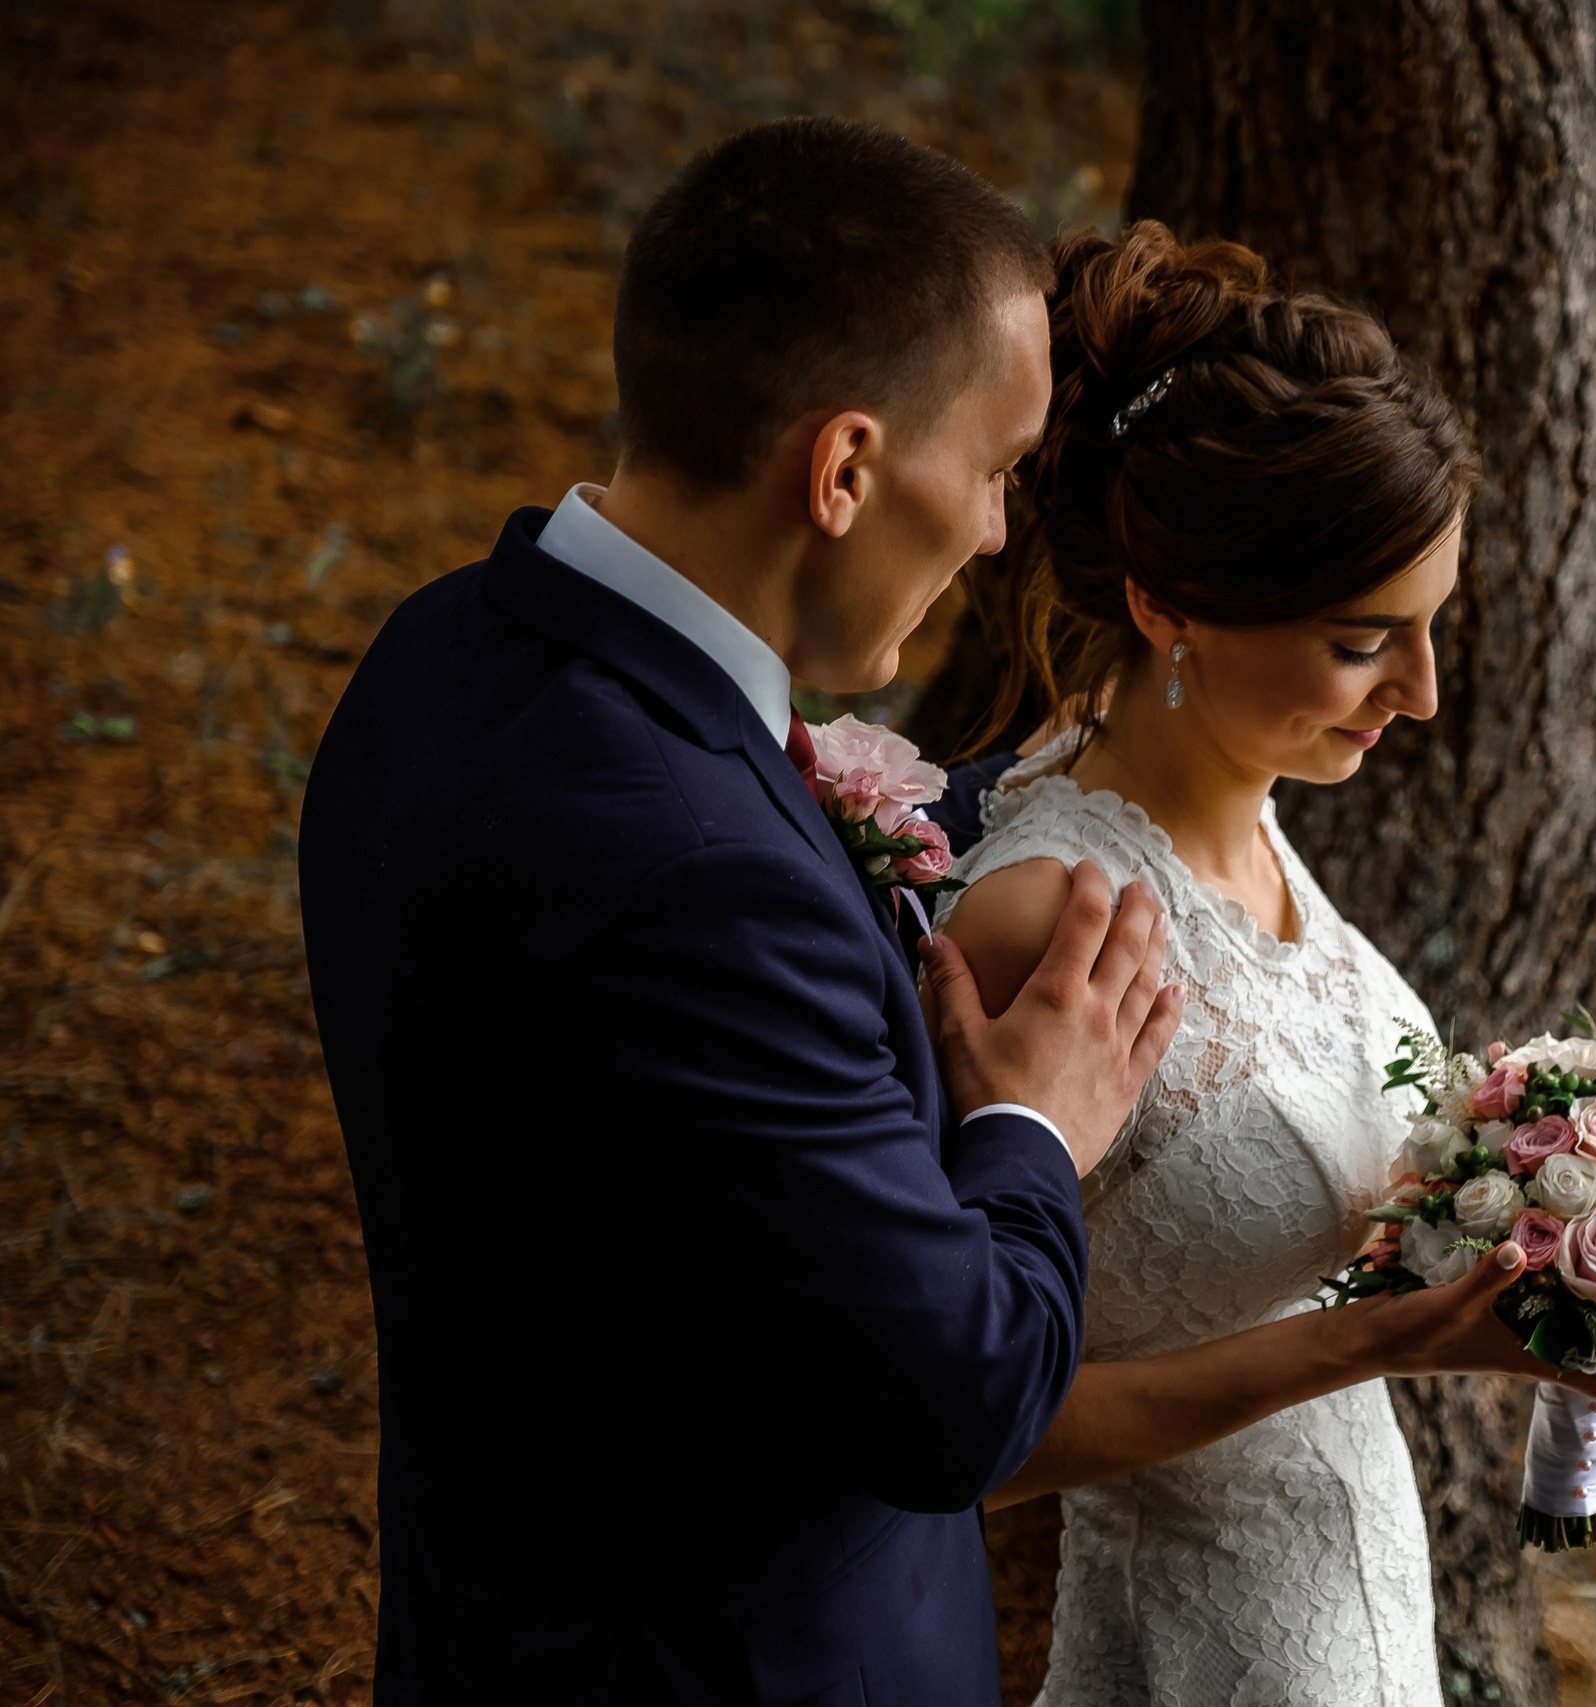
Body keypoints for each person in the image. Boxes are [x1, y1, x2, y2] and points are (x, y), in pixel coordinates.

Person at [298, 119, 1181, 1706]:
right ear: (844, 469)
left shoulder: (434, 654)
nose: (995, 530)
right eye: (991, 470)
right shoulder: (698, 870)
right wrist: (1034, 1125)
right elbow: (957, 1400)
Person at [935, 222, 1596, 1707]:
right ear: (1165, 607)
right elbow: (960, 1435)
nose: (1423, 692)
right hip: (1197, 1633)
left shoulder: (1248, 823)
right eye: (1361, 642)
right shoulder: (1045, 921)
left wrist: (1592, 1232)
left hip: (1350, 1591)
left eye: (1429, 628)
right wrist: (1390, 1342)